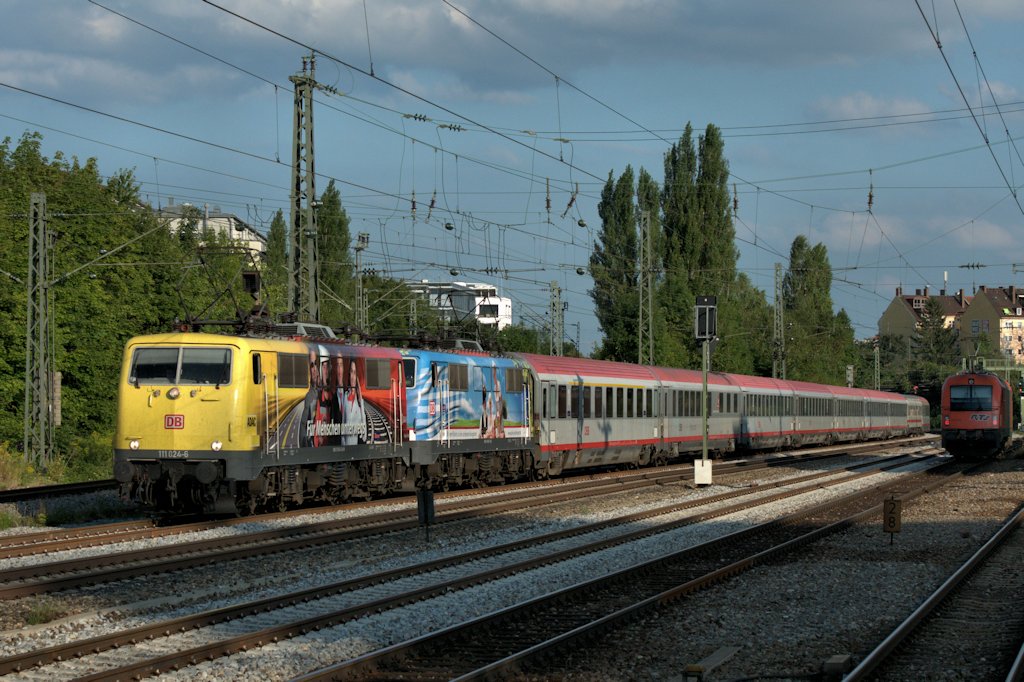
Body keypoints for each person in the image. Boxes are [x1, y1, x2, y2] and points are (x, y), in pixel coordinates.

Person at [340, 358, 367, 444]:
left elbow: (364, 436)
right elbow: (343, 426)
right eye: (351, 372)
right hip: (345, 450)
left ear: (358, 377)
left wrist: (360, 400)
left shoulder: (360, 402)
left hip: (356, 450)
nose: (352, 377)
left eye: (355, 373)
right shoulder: (345, 397)